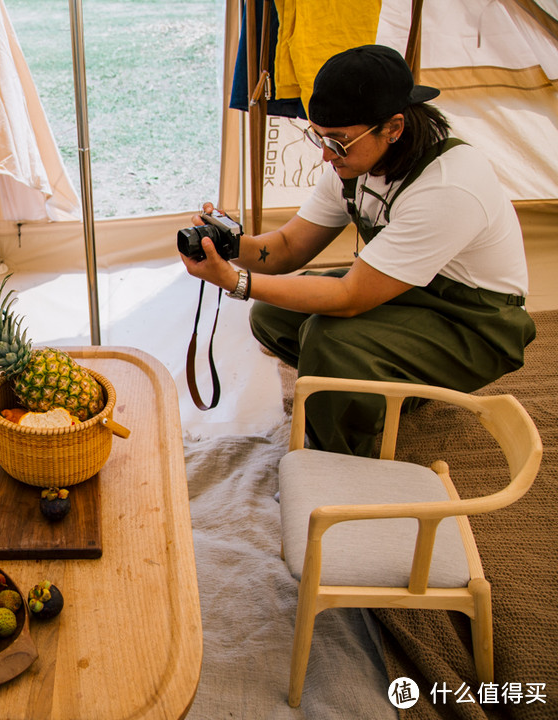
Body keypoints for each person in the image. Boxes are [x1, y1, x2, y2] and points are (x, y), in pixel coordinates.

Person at [181, 45, 536, 456]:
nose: (326, 154)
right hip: (410, 294)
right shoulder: (354, 164)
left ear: (394, 127)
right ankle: (385, 391)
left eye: (339, 142)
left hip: (477, 324)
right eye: (318, 136)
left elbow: (350, 298)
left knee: (333, 340)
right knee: (273, 315)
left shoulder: (447, 186)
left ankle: (343, 462)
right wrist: (227, 243)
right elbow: (287, 247)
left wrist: (237, 281)